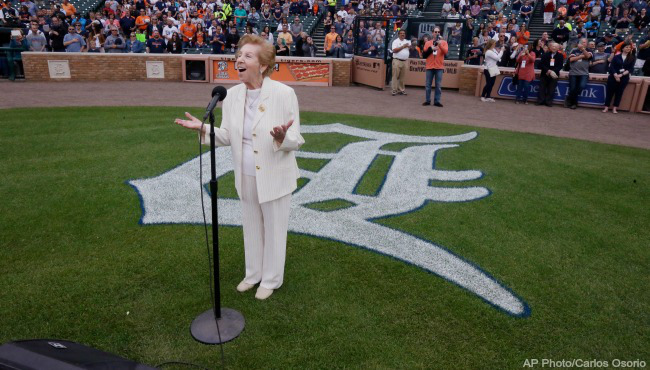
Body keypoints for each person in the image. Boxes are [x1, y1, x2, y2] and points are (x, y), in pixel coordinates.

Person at [175, 35, 304, 301]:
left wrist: (281, 137)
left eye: (247, 56)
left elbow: (296, 139)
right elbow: (228, 136)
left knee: (274, 229)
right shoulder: (231, 96)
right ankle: (253, 274)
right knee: (251, 226)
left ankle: (270, 280)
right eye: (238, 55)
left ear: (264, 65)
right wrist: (204, 128)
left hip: (275, 175)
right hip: (245, 173)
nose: (239, 60)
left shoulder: (284, 94)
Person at [602, 42, 635, 113]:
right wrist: (615, 75)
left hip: (624, 78)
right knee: (609, 93)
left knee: (619, 93)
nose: (628, 48)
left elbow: (630, 69)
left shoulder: (632, 58)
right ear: (622, 48)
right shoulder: (616, 56)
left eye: (629, 47)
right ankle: (606, 107)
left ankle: (615, 108)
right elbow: (611, 67)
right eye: (626, 47)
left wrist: (621, 75)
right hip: (613, 77)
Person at [422, 27, 448, 107]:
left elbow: (445, 52)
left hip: (439, 67)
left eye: (438, 32)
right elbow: (424, 55)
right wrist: (431, 48)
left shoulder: (443, 42)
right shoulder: (428, 43)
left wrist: (440, 45)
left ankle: (437, 101)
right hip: (429, 66)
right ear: (432, 33)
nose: (437, 33)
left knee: (438, 85)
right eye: (435, 32)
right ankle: (427, 100)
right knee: (428, 85)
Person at [566, 38, 593, 109]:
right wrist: (581, 56)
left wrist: (583, 50)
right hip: (573, 73)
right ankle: (574, 103)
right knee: (572, 88)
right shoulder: (574, 50)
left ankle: (569, 98)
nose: (583, 43)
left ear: (587, 44)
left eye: (584, 42)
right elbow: (571, 59)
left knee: (581, 86)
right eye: (582, 42)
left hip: (584, 73)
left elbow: (588, 56)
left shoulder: (589, 50)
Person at [536, 42, 563, 106]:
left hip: (554, 75)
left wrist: (552, 71)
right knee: (542, 88)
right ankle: (540, 101)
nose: (554, 48)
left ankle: (548, 102)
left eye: (555, 47)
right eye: (552, 46)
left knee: (551, 89)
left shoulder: (560, 56)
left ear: (558, 48)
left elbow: (560, 66)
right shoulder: (545, 55)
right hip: (544, 74)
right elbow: (541, 64)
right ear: (550, 47)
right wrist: (548, 70)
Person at [391, 30, 410, 96]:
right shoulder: (395, 41)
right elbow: (394, 50)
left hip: (405, 61)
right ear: (398, 34)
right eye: (401, 33)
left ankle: (401, 89)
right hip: (397, 60)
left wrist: (411, 45)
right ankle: (394, 90)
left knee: (402, 77)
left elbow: (411, 48)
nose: (402, 34)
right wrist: (403, 46)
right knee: (395, 76)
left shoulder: (407, 41)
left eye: (404, 33)